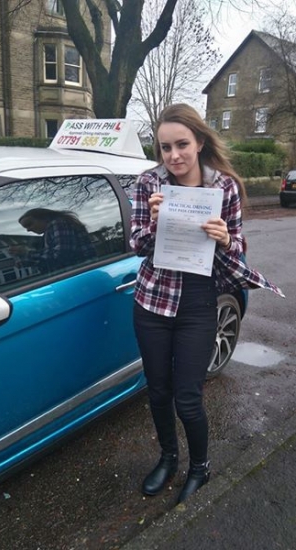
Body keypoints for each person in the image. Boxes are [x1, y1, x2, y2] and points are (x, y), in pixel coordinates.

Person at [130, 103, 284, 505]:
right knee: (158, 392)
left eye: (181, 144)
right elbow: (136, 246)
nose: (174, 156)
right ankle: (168, 457)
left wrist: (226, 240)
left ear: (199, 142)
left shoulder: (224, 189)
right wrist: (153, 222)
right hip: (152, 301)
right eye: (165, 147)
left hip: (199, 303)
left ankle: (200, 467)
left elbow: (237, 258)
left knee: (188, 397)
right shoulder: (150, 183)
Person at [10, 208, 96, 272]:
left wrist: (27, 252)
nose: (28, 230)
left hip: (81, 275)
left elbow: (62, 255)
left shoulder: (59, 223)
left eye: (29, 224)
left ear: (44, 218)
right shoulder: (49, 232)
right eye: (26, 228)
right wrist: (27, 261)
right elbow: (53, 258)